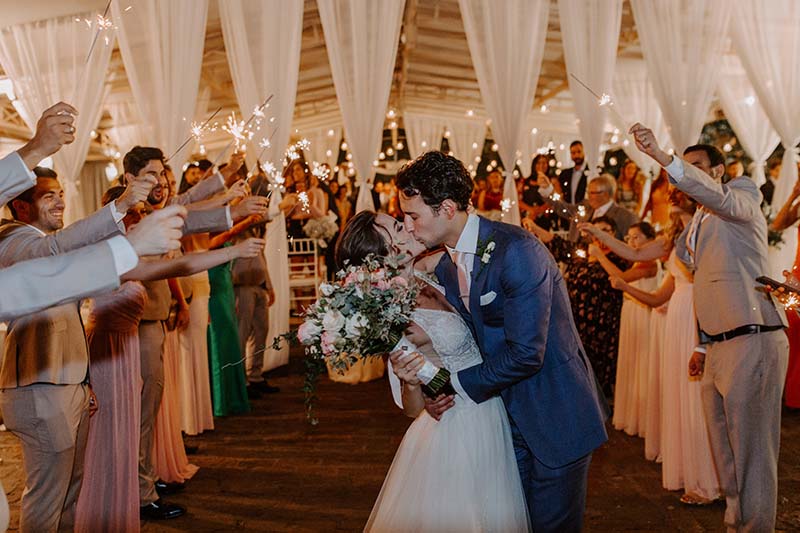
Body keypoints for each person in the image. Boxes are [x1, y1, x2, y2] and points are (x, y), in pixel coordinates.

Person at [395, 151, 608, 531]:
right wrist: (430, 387)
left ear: (447, 208)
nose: (408, 227)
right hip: (501, 422)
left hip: (553, 415)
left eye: (413, 216)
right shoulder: (444, 266)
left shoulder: (517, 250)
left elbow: (527, 353)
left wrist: (451, 385)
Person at [629, 122, 788, 532]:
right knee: (726, 455)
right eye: (685, 167)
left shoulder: (742, 194)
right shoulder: (699, 219)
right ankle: (736, 525)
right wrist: (702, 346)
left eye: (696, 166)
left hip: (753, 335)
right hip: (717, 344)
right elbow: (697, 274)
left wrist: (663, 157)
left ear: (718, 170)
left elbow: (720, 199)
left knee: (752, 454)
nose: (688, 173)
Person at [336, 211, 530, 532]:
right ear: (382, 254)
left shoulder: (429, 274)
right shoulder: (391, 316)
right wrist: (413, 385)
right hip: (457, 426)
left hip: (490, 408)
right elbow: (412, 408)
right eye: (398, 226)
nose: (409, 226)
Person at [0, 166, 162, 533]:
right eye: (49, 196)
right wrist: (120, 205)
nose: (61, 201)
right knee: (47, 497)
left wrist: (84, 382)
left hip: (67, 383)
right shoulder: (12, 239)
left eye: (61, 194)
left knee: (71, 492)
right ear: (21, 206)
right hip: (38, 386)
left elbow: (72, 319)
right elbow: (57, 246)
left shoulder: (48, 244)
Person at [539, 173, 640, 241]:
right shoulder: (585, 207)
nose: (589, 196)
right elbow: (564, 209)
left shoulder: (625, 217)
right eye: (588, 192)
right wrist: (548, 189)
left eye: (593, 193)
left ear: (605, 194)